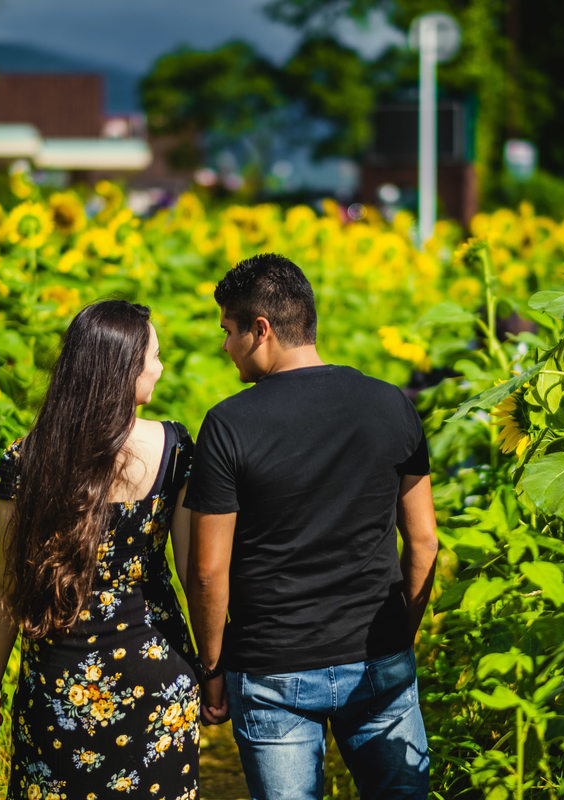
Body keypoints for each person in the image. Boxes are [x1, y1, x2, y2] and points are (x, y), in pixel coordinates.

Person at [184, 253, 439, 800]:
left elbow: (207, 571)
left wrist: (211, 668)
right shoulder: (391, 404)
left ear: (262, 330)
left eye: (228, 331)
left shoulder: (229, 425)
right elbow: (423, 541)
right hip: (377, 658)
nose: (224, 346)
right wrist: (400, 636)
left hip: (273, 670)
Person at [0, 300, 201, 800]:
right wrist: (217, 668)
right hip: (158, 676)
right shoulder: (175, 448)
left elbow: (7, 586)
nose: (160, 368)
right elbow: (191, 572)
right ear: (122, 370)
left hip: (59, 685)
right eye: (152, 357)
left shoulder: (25, 460)